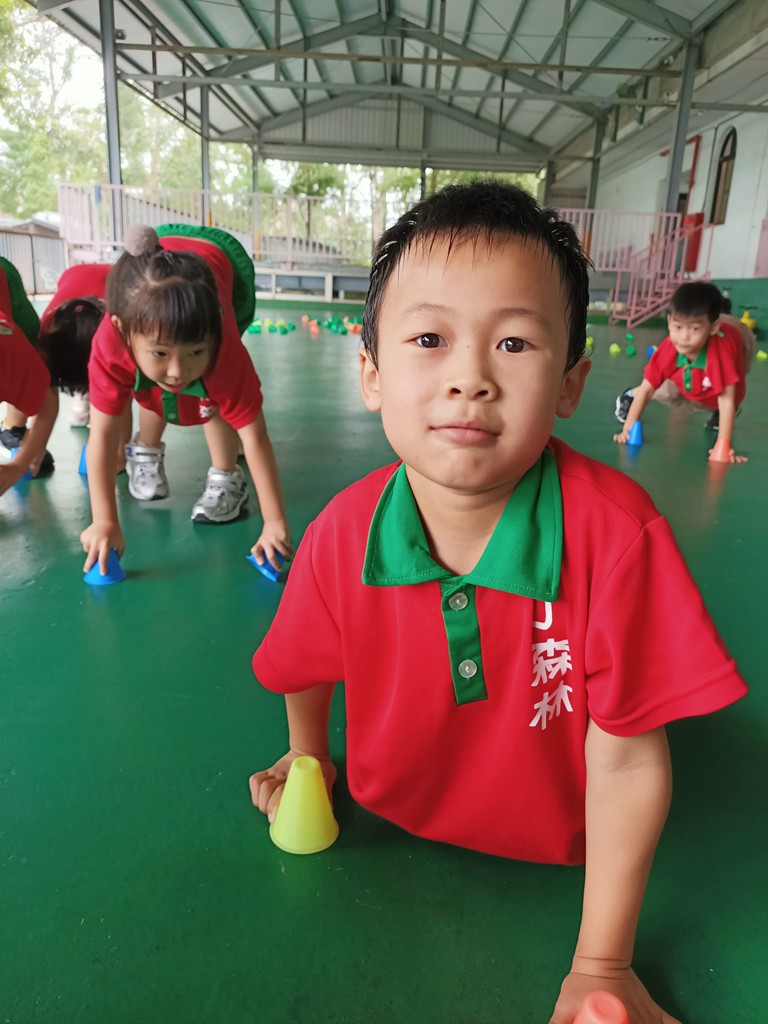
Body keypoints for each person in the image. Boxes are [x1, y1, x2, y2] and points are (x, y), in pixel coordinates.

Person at [248, 182, 746, 1024]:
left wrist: (603, 965)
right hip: (388, 813)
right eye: (429, 339)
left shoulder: (618, 536)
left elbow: (628, 756)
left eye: (514, 342)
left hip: (565, 838)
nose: (470, 379)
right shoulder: (341, 532)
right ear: (371, 374)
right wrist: (309, 759)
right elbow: (305, 662)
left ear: (570, 383)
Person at [81, 223, 291, 576]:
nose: (179, 371)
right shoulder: (110, 345)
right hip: (157, 263)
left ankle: (226, 474)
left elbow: (254, 435)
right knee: (154, 386)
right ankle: (146, 447)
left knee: (215, 395)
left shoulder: (224, 350)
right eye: (160, 353)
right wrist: (104, 520)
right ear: (120, 330)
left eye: (195, 351)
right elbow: (101, 434)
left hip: (220, 258)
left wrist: (274, 522)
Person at [0, 262, 133, 472]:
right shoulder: (44, 332)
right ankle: (82, 396)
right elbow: (47, 397)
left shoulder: (120, 331)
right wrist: (33, 454)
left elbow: (121, 399)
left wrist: (119, 456)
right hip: (75, 277)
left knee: (112, 385)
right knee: (49, 374)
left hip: (118, 281)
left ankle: (89, 392)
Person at [613, 282, 748, 463]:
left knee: (734, 392)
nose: (684, 337)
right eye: (678, 327)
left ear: (714, 328)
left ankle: (718, 412)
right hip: (692, 370)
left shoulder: (721, 355)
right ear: (669, 322)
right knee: (672, 392)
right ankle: (629, 394)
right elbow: (646, 389)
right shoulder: (669, 348)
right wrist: (627, 430)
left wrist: (723, 446)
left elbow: (726, 400)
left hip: (739, 337)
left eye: (694, 329)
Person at [0, 282, 58, 495]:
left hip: (11, 294)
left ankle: (12, 427)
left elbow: (47, 401)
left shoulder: (12, 350)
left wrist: (20, 464)